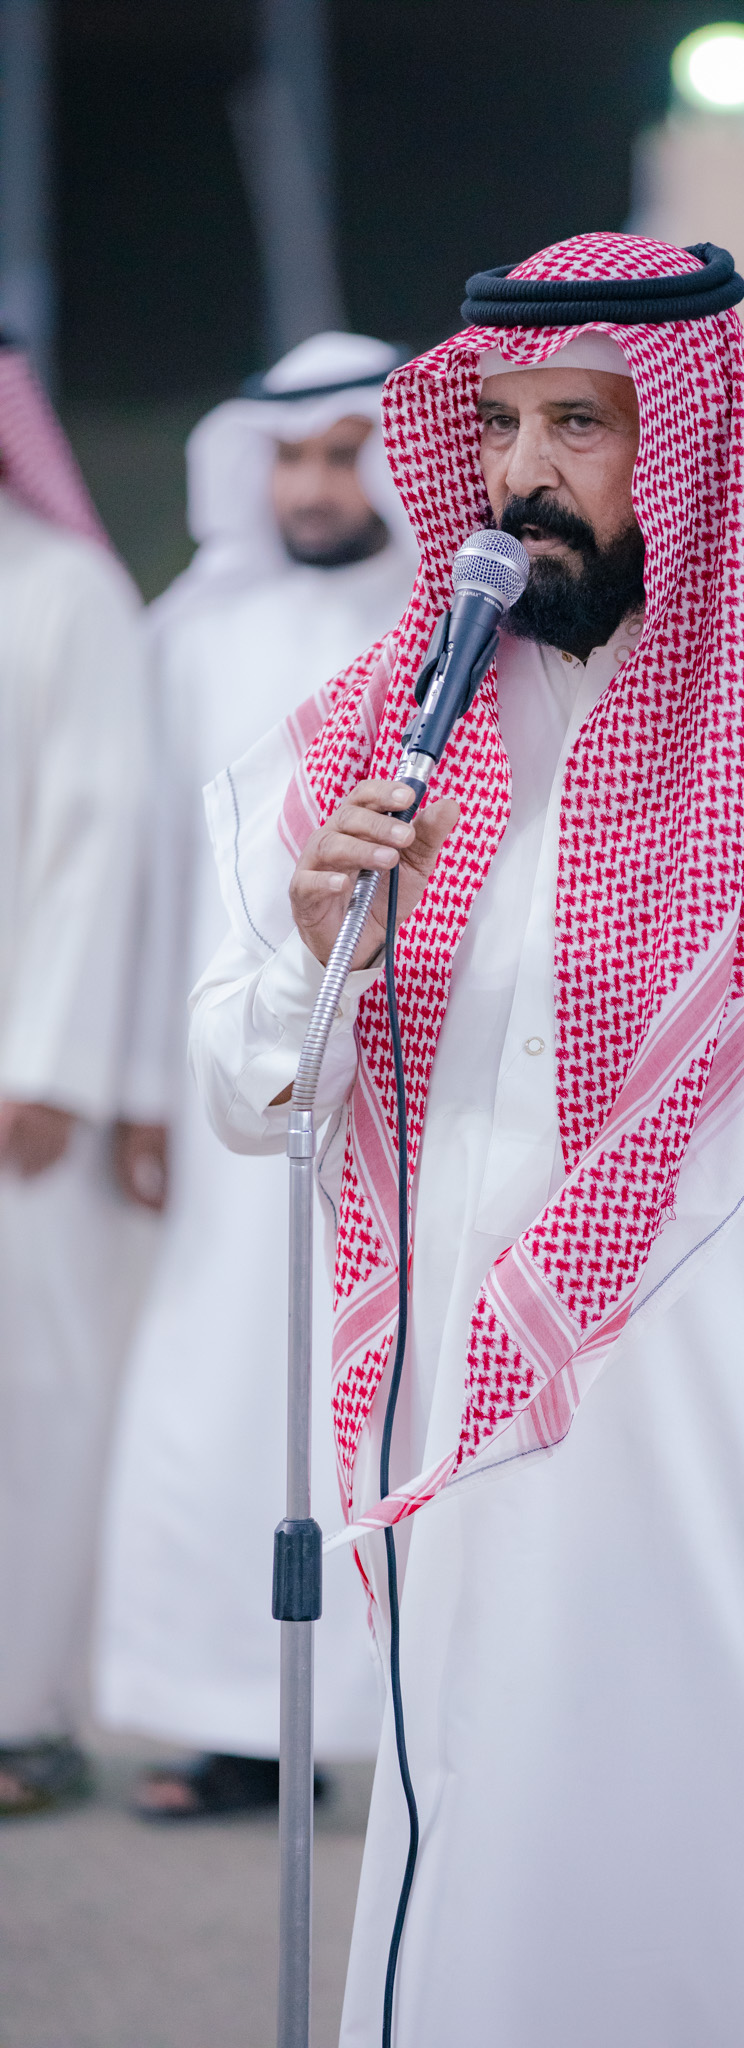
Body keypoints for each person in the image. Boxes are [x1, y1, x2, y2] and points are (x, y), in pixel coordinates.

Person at [189, 234, 744, 2047]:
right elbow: (247, 1098)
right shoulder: (387, 734)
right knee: (483, 1913)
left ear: (687, 443)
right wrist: (309, 945)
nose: (523, 472)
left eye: (580, 424)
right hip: (466, 1473)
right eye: (498, 424)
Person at [95, 333, 416, 1817]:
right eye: (286, 457)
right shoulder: (191, 636)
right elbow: (146, 882)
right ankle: (231, 1718)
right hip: (235, 1077)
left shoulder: (450, 623)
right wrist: (135, 1087)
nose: (312, 487)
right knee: (220, 1389)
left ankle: (401, 1717)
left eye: (344, 453)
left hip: (405, 1077)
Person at [0, 333, 153, 1814]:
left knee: (29, 1394)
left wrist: (52, 1062)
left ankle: (21, 1710)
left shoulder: (66, 591)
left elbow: (104, 838)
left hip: (18, 1095)